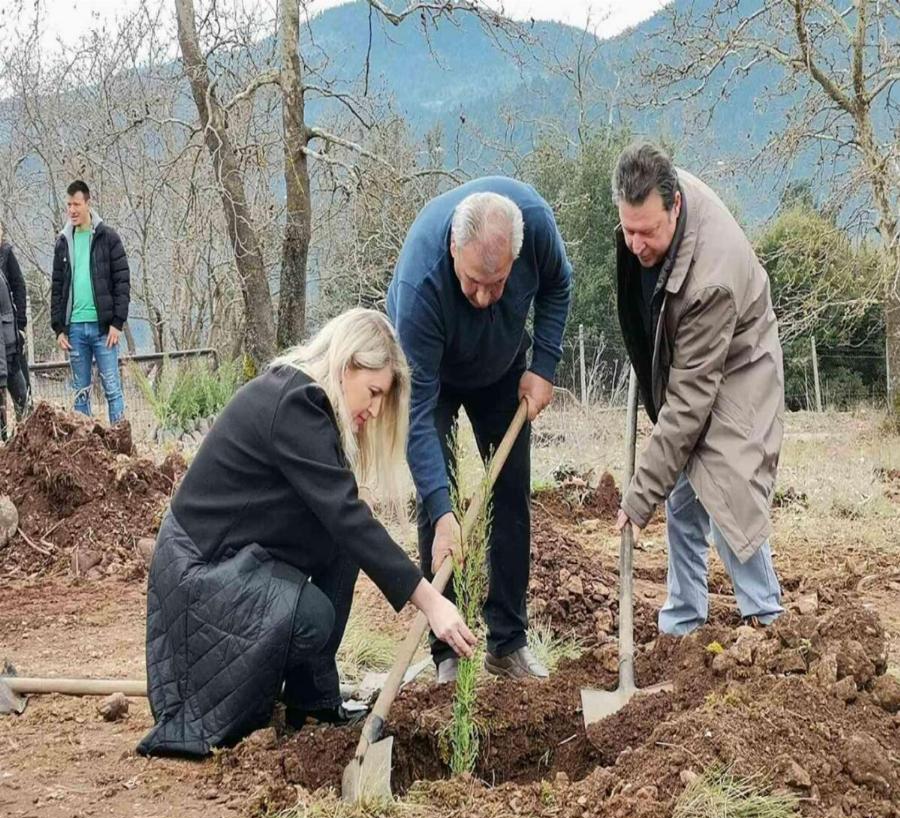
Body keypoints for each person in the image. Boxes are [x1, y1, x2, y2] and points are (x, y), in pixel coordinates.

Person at [138, 309, 476, 757]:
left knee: (343, 544)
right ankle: (268, 705)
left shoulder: (303, 404)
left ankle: (312, 703)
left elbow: (345, 522)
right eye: (373, 392)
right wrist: (432, 603)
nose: (374, 410)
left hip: (229, 567)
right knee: (313, 615)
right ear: (346, 366)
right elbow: (346, 516)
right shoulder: (295, 403)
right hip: (196, 581)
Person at [387, 178, 573, 683]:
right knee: (437, 503)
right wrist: (444, 511)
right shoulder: (419, 287)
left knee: (510, 494)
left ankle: (507, 644)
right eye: (473, 282)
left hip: (504, 365)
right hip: (436, 378)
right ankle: (447, 653)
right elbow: (418, 417)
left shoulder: (534, 225)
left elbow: (558, 284)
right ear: (453, 248)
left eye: (499, 283)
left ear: (516, 255)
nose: (486, 296)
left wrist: (545, 365)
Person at [611, 142, 785, 636]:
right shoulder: (649, 200)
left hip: (740, 365)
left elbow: (689, 405)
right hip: (694, 359)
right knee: (683, 497)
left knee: (728, 491)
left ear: (676, 206)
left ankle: (767, 621)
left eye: (648, 232)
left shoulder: (712, 279)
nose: (636, 244)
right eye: (628, 230)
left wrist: (638, 495)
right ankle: (683, 625)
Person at [50, 180, 130, 423]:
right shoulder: (64, 242)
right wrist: (58, 327)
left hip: (103, 329)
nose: (72, 210)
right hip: (74, 329)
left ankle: (119, 443)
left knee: (112, 388)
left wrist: (117, 322)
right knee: (80, 393)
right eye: (68, 205)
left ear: (87, 204)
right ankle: (85, 448)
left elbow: (122, 281)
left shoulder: (108, 238)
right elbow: (56, 287)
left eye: (76, 204)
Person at [0, 223, 30, 430]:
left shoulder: (6, 255)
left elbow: (19, 287)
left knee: (22, 396)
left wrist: (20, 325)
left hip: (9, 341)